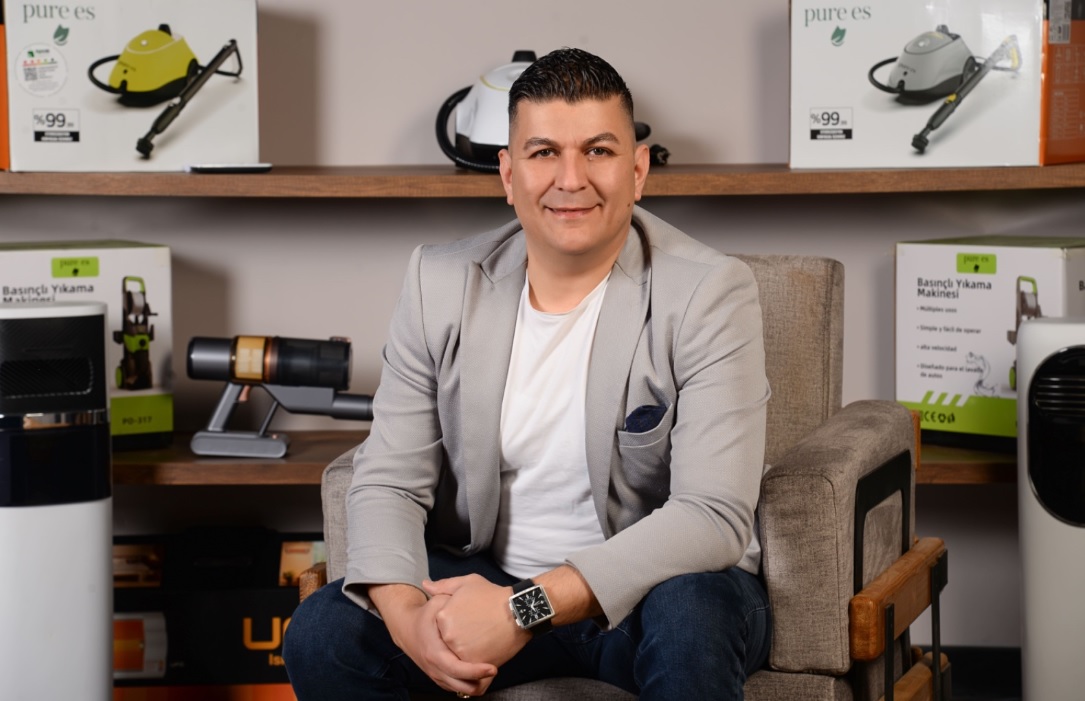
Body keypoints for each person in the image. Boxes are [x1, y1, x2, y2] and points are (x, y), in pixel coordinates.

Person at [283, 47, 772, 700]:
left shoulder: (710, 291)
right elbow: (389, 479)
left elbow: (710, 516)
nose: (571, 179)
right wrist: (409, 621)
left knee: (691, 619)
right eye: (544, 152)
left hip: (652, 595)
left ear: (637, 170)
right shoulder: (439, 282)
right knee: (324, 632)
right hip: (488, 578)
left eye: (597, 151)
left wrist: (521, 610)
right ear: (508, 175)